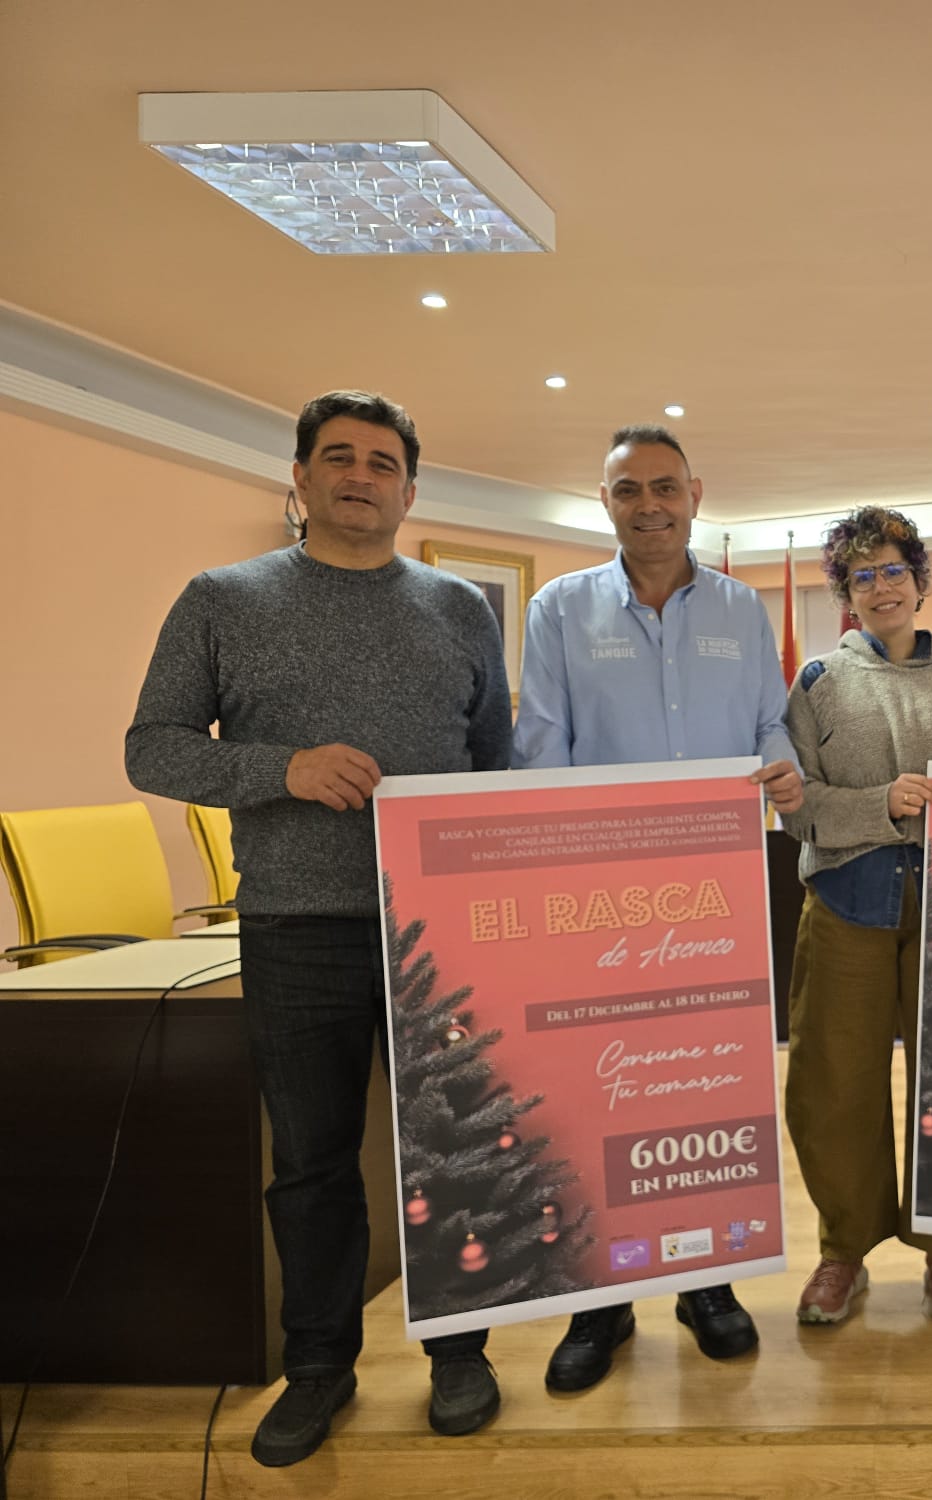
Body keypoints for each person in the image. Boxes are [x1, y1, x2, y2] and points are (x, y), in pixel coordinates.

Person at [127, 392, 513, 1465]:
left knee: (456, 1151)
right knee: (310, 1164)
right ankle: (317, 1369)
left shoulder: (457, 609)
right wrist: (279, 771)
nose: (359, 475)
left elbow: (492, 762)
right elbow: (151, 748)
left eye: (381, 462)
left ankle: (459, 1352)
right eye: (336, 458)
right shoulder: (223, 599)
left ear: (408, 490)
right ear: (298, 477)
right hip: (297, 927)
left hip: (440, 930)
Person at [513, 423, 804, 1387]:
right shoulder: (560, 608)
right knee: (598, 1087)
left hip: (716, 885)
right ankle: (599, 1302)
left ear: (696, 495)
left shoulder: (741, 607)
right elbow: (541, 743)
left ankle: (707, 1282)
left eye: (666, 487)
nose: (650, 504)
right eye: (629, 489)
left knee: (709, 1085)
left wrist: (789, 774)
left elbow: (770, 720)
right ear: (606, 502)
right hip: (599, 895)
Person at [782, 505, 932, 1325]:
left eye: (894, 571)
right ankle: (843, 1251)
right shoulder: (817, 682)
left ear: (920, 581)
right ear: (846, 592)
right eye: (862, 575)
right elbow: (797, 807)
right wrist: (883, 804)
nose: (881, 587)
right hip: (845, 904)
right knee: (832, 1083)